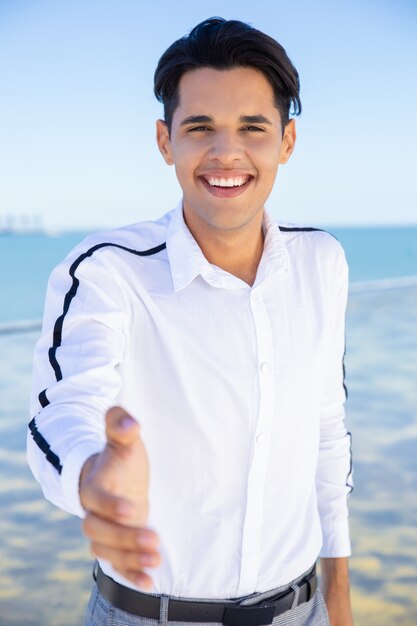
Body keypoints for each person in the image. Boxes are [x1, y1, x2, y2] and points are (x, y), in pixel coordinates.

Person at [27, 16, 354, 626]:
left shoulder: (322, 262)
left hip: (303, 611)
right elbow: (62, 409)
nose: (226, 153)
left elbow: (327, 433)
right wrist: (91, 477)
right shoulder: (107, 272)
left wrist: (339, 598)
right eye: (199, 127)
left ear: (286, 141)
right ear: (164, 141)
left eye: (252, 128)